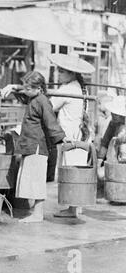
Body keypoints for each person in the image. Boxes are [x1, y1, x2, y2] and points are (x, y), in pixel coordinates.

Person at [0, 72, 67, 223]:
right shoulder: (34, 98)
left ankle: (38, 214)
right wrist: (12, 87)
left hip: (37, 145)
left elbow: (51, 122)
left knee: (36, 179)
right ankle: (35, 212)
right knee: (31, 178)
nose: (25, 90)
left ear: (39, 88)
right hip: (30, 143)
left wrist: (61, 139)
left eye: (29, 88)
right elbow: (23, 92)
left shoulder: (42, 101)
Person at [48, 54, 96, 218]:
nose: (58, 75)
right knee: (77, 168)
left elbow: (49, 107)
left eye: (61, 72)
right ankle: (75, 206)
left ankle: (72, 208)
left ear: (71, 74)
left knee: (70, 170)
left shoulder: (67, 89)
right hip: (80, 133)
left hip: (71, 134)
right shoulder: (80, 87)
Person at [97, 95, 126, 178]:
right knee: (100, 174)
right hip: (115, 159)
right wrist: (98, 162)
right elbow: (105, 142)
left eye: (115, 114)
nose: (112, 114)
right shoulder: (112, 124)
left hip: (123, 158)